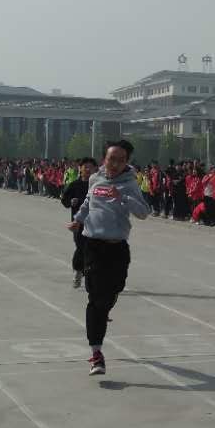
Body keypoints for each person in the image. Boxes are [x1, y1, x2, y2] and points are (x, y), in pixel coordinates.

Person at [68, 141, 150, 376]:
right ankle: (96, 354)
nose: (114, 164)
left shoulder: (130, 184)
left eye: (120, 160)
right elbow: (87, 203)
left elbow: (143, 212)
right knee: (95, 300)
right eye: (111, 158)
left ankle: (106, 305)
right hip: (93, 245)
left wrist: (122, 197)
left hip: (117, 248)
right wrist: (79, 219)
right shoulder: (95, 179)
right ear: (104, 159)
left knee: (114, 289)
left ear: (126, 163)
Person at [61, 157, 96, 289]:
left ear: (95, 169)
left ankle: (89, 274)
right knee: (81, 247)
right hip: (78, 223)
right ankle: (78, 271)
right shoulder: (74, 185)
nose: (88, 169)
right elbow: (64, 200)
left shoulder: (98, 186)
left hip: (95, 223)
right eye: (85, 166)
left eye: (90, 167)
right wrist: (70, 202)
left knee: (93, 249)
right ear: (80, 168)